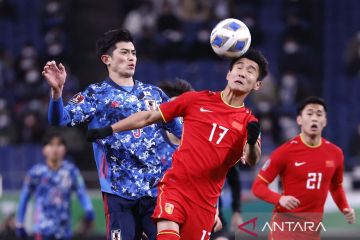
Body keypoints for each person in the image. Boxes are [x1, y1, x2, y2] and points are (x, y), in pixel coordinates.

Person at [87, 49, 268, 239]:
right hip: (175, 188)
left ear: (257, 84)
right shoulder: (195, 100)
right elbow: (149, 116)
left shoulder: (249, 123)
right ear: (228, 73)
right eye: (238, 67)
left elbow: (251, 159)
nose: (242, 72)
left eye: (250, 70)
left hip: (205, 203)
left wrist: (252, 141)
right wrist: (110, 129)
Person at [42, 29, 182, 240]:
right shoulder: (95, 94)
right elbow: (59, 119)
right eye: (124, 53)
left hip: (155, 192)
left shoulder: (154, 94)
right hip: (118, 194)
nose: (131, 58)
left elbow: (182, 133)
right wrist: (57, 93)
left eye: (133, 53)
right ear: (106, 59)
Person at [251, 96, 356, 240]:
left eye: (319, 114)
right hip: (284, 227)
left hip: (312, 231)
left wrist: (344, 208)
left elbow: (336, 186)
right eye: (309, 113)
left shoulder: (335, 153)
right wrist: (279, 199)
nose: (314, 118)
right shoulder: (284, 152)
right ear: (299, 120)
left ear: (324, 121)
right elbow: (258, 187)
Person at [15, 131, 94, 240]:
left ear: (65, 149)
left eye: (59, 145)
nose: (55, 149)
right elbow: (24, 197)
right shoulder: (36, 172)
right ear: (44, 150)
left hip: (64, 231)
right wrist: (19, 222)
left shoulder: (71, 171)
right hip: (42, 230)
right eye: (51, 145)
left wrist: (89, 209)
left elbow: (81, 193)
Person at [211, 166, 244, 240]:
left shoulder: (225, 157)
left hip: (215, 217)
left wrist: (236, 211)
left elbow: (235, 182)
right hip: (190, 215)